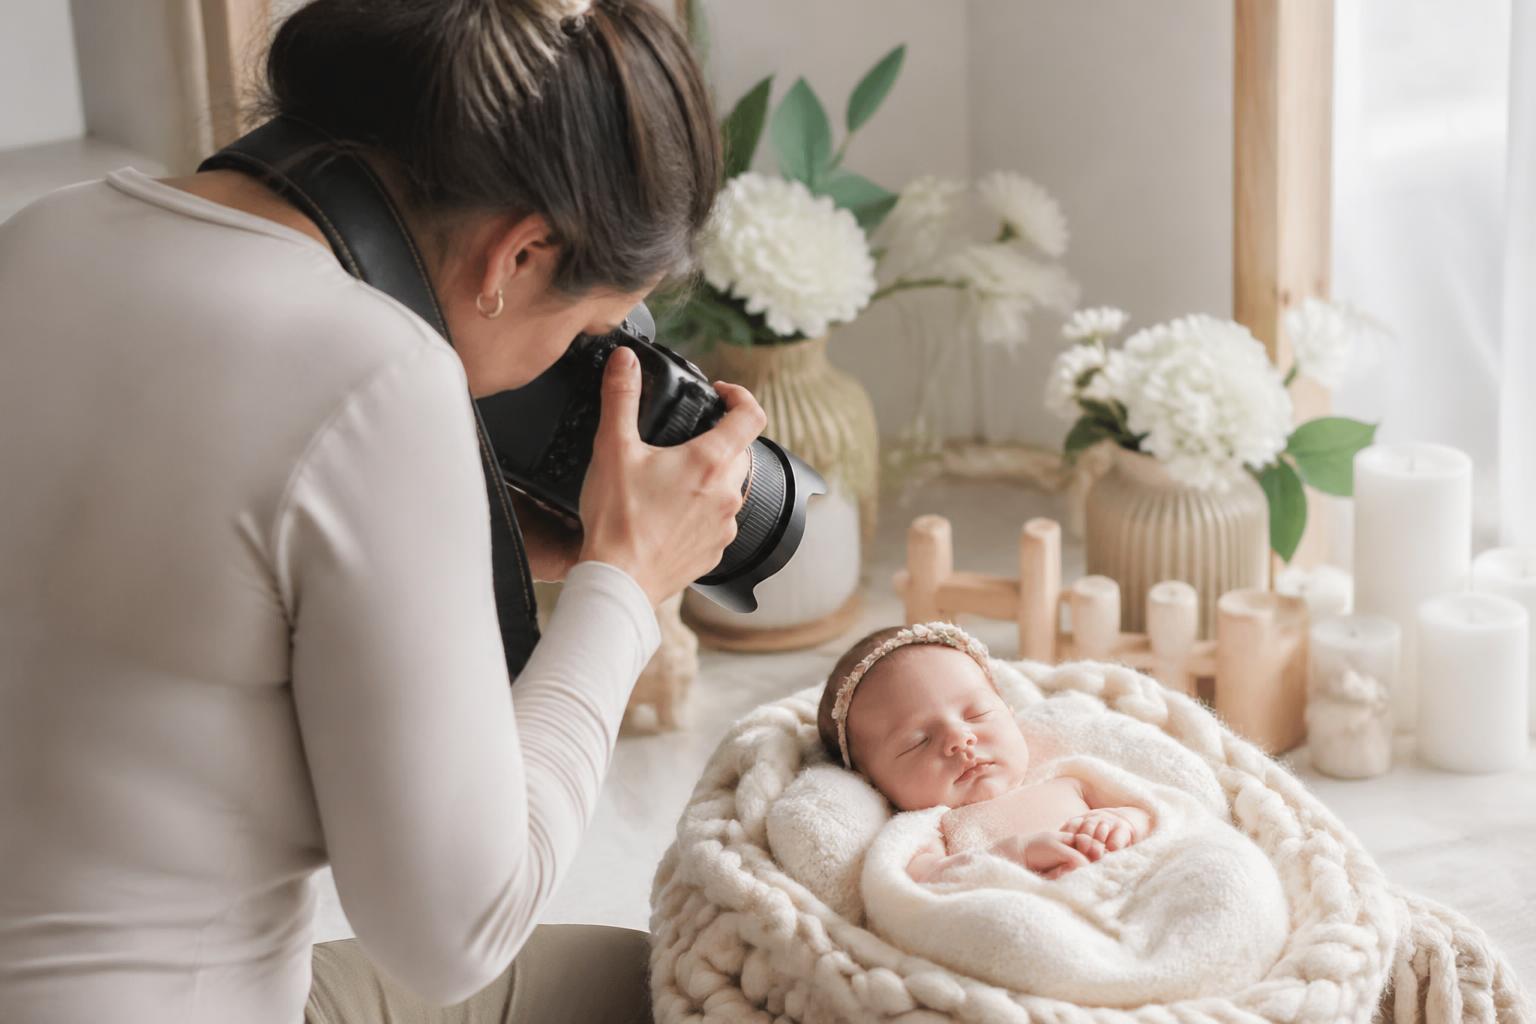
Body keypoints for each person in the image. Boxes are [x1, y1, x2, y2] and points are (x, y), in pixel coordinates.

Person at [0, 1, 759, 1022]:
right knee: (701, 978)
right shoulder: (375, 377)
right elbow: (455, 933)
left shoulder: (47, 231)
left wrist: (465, 543)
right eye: (589, 327)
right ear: (517, 257)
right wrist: (623, 585)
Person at [816, 624, 1156, 882]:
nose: (960, 739)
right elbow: (922, 885)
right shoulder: (934, 830)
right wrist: (1012, 856)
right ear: (870, 781)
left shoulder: (1071, 779)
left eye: (976, 714)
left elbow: (1157, 811)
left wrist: (1121, 822)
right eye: (917, 741)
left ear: (1009, 710)